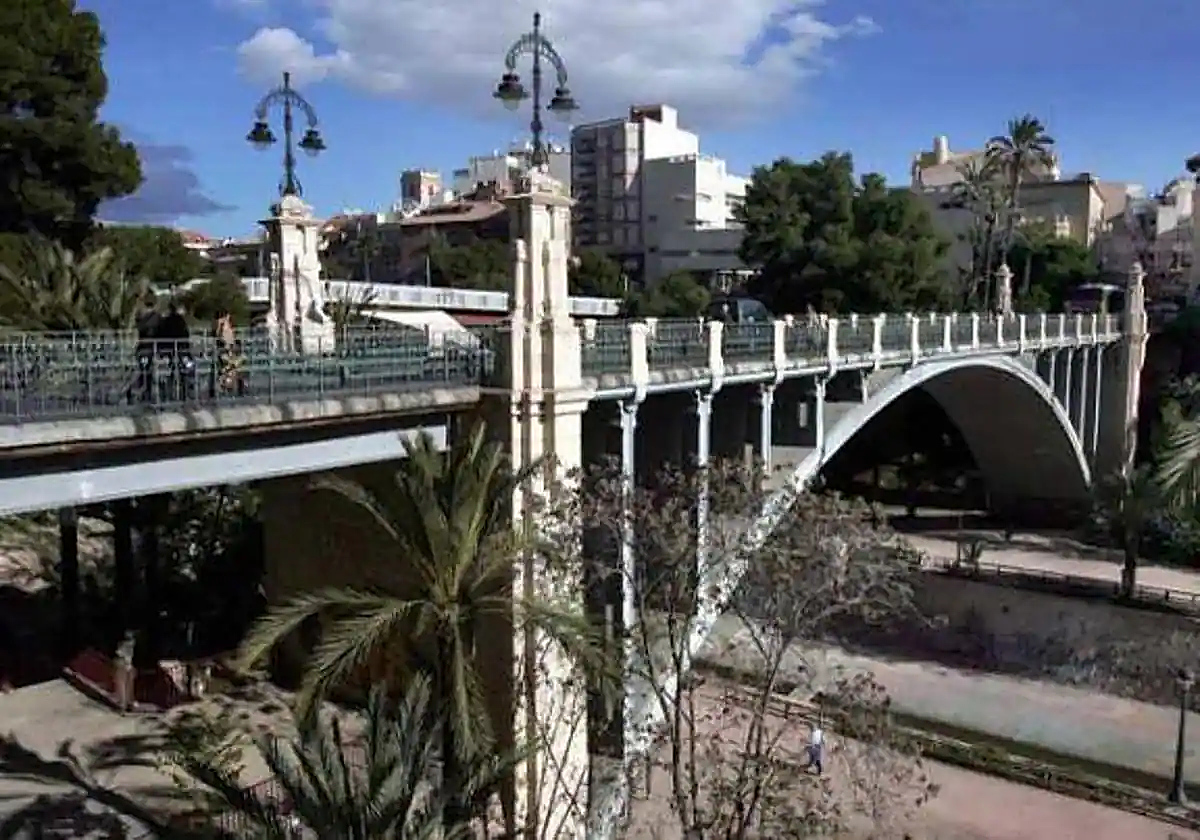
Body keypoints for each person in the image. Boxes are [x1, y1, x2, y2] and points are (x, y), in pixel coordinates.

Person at [155, 301, 194, 398]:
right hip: (181, 351)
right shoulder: (180, 321)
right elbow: (185, 335)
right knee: (187, 369)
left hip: (168, 351)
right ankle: (186, 392)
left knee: (168, 372)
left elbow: (160, 335)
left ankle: (167, 394)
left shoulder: (165, 321)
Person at [133, 294, 161, 403]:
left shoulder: (143, 318)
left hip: (144, 348)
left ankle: (144, 392)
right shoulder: (155, 317)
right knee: (147, 371)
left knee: (144, 371)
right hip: (149, 348)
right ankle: (146, 392)